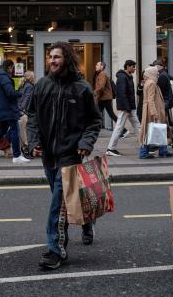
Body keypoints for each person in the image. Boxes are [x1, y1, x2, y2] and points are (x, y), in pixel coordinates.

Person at [27, 41, 102, 270]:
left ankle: (55, 250)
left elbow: (94, 120)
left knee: (57, 204)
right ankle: (87, 221)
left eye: (57, 57)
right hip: (49, 156)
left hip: (71, 155)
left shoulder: (82, 88)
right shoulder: (41, 85)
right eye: (50, 57)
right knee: (66, 202)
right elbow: (32, 117)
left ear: (67, 59)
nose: (52, 61)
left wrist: (86, 142)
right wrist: (34, 143)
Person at [105, 60, 140, 157]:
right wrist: (127, 107)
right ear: (127, 67)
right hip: (126, 107)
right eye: (133, 67)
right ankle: (110, 148)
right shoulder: (122, 77)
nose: (134, 68)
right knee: (119, 127)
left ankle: (143, 145)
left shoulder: (128, 77)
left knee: (137, 126)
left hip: (130, 107)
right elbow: (121, 93)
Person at [138, 66, 173, 159]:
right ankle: (144, 153)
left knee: (159, 130)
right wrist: (154, 113)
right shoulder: (152, 83)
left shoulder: (149, 82)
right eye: (156, 73)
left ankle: (163, 150)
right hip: (152, 111)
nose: (158, 75)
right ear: (151, 73)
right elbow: (150, 99)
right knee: (150, 131)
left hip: (151, 110)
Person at [152, 60, 173, 148]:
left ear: (159, 67)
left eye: (154, 66)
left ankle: (164, 141)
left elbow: (159, 91)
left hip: (164, 102)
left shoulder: (162, 76)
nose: (153, 68)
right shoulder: (163, 74)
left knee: (163, 122)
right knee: (165, 122)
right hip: (165, 102)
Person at [93, 62, 120, 132]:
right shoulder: (100, 74)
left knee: (110, 114)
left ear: (102, 67)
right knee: (97, 114)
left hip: (105, 98)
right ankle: (95, 129)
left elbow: (101, 86)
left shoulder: (102, 74)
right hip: (103, 98)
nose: (95, 66)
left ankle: (123, 130)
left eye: (97, 65)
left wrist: (94, 92)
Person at [18, 71, 35, 156]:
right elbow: (27, 98)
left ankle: (25, 148)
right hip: (25, 111)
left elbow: (20, 98)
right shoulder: (30, 86)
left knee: (21, 130)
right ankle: (27, 148)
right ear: (31, 77)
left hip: (20, 111)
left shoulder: (22, 85)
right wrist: (23, 109)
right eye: (33, 76)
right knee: (25, 130)